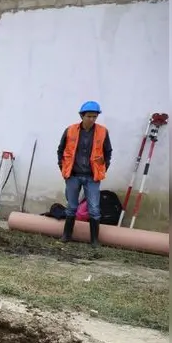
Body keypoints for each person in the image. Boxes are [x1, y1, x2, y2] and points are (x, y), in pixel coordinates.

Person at [57, 100, 112, 248]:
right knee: (71, 207)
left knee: (94, 208)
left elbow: (108, 152)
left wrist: (102, 169)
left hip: (92, 177)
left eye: (95, 116)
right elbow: (61, 150)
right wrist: (63, 168)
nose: (92, 119)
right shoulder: (70, 130)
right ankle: (66, 235)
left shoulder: (102, 132)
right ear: (82, 116)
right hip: (73, 175)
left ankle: (94, 240)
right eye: (89, 116)